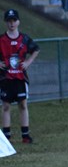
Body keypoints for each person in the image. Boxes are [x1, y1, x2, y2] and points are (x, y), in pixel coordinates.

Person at [1, 9, 40, 144]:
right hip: (6, 78)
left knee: (23, 105)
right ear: (6, 22)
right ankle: (6, 137)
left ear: (18, 22)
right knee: (6, 106)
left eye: (14, 20)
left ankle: (25, 135)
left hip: (20, 78)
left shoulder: (24, 39)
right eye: (9, 21)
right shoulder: (1, 39)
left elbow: (36, 49)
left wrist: (28, 62)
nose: (12, 23)